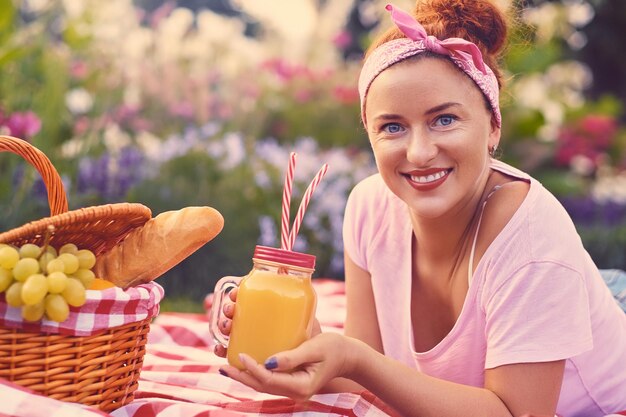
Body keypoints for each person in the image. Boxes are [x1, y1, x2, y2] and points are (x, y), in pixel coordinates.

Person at [214, 1, 626, 416]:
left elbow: (516, 413)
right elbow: (366, 368)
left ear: (493, 126)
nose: (420, 152)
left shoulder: (531, 241)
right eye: (392, 127)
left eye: (444, 120)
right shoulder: (370, 206)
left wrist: (356, 359)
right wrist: (305, 341)